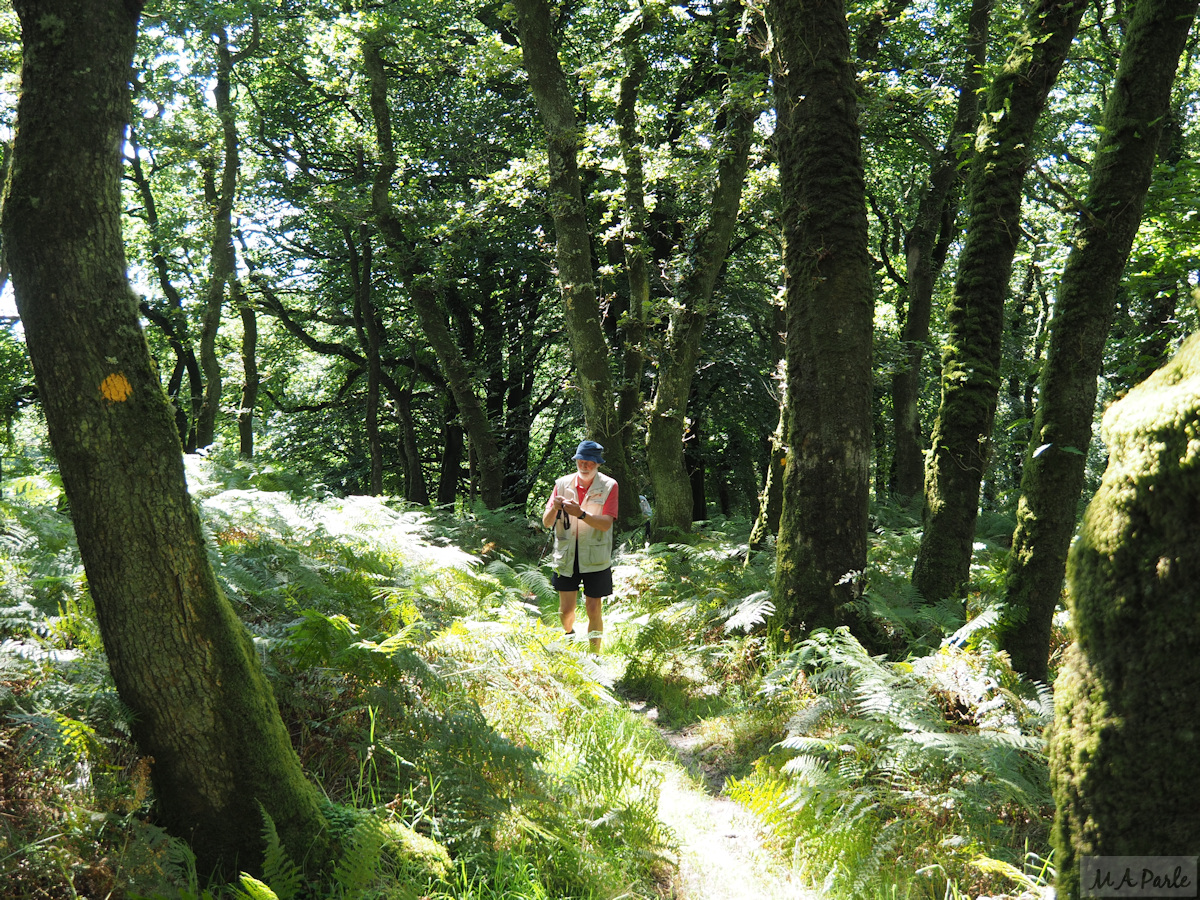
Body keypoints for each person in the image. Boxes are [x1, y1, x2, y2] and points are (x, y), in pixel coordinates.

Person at [542, 440, 618, 652]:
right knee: (566, 610)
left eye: (590, 463)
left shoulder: (610, 485)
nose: (585, 466)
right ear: (576, 461)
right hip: (566, 555)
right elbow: (547, 523)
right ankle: (569, 638)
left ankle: (594, 655)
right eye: (581, 461)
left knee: (593, 607)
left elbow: (605, 524)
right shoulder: (562, 484)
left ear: (598, 464)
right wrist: (554, 509)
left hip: (596, 556)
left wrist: (581, 514)